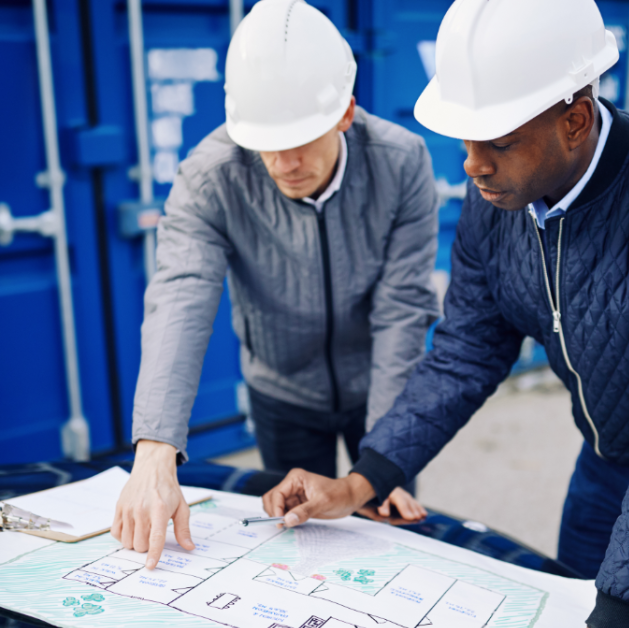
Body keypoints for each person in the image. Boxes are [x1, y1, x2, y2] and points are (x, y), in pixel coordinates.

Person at [261, 1, 629, 628]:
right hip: (606, 457)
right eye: (466, 141)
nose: (473, 167)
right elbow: (466, 351)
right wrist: (363, 479)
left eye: (499, 143)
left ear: (574, 118)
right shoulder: (500, 198)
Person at [113, 0, 438, 568]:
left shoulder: (401, 161)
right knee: (297, 542)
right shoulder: (209, 177)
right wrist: (155, 453)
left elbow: (402, 311)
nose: (285, 162)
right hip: (283, 392)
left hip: (381, 387)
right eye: (267, 142)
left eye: (303, 139)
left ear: (345, 114)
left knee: (386, 537)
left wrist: (381, 465)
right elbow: (180, 297)